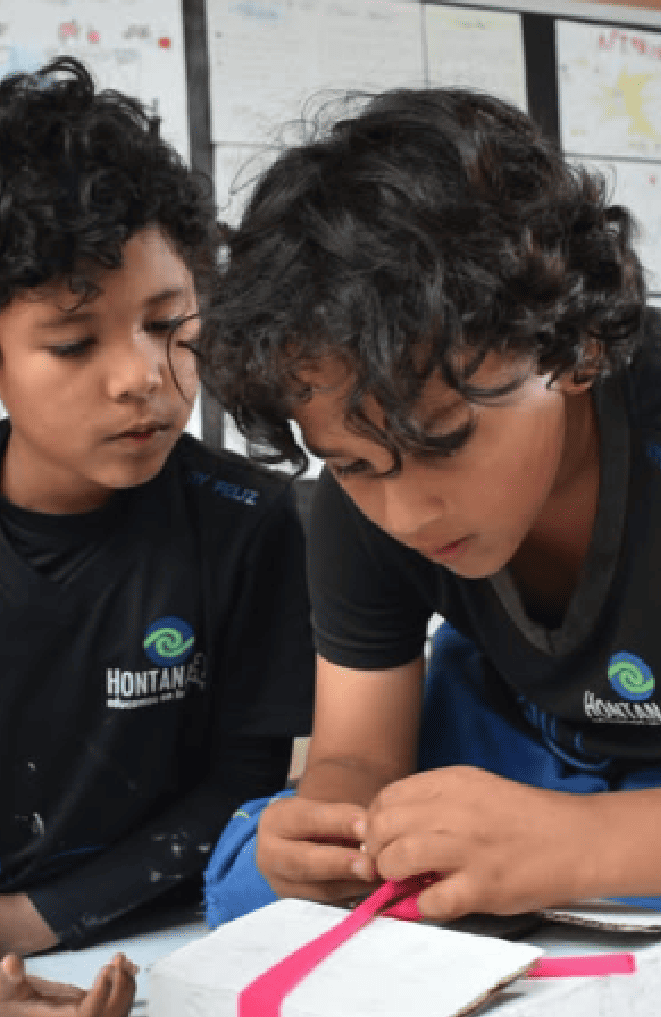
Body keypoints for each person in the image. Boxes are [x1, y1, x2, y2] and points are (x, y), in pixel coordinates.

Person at [198, 84, 661, 925]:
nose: (405, 515)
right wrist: (337, 831)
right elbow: (357, 756)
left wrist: (582, 843)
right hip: (537, 741)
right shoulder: (363, 488)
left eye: (443, 439)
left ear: (577, 347)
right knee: (253, 870)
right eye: (352, 465)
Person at [0, 58, 314, 1017]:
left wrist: (35, 920)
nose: (142, 377)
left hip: (172, 943)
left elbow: (242, 781)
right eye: (73, 342)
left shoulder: (249, 518)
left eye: (169, 325)